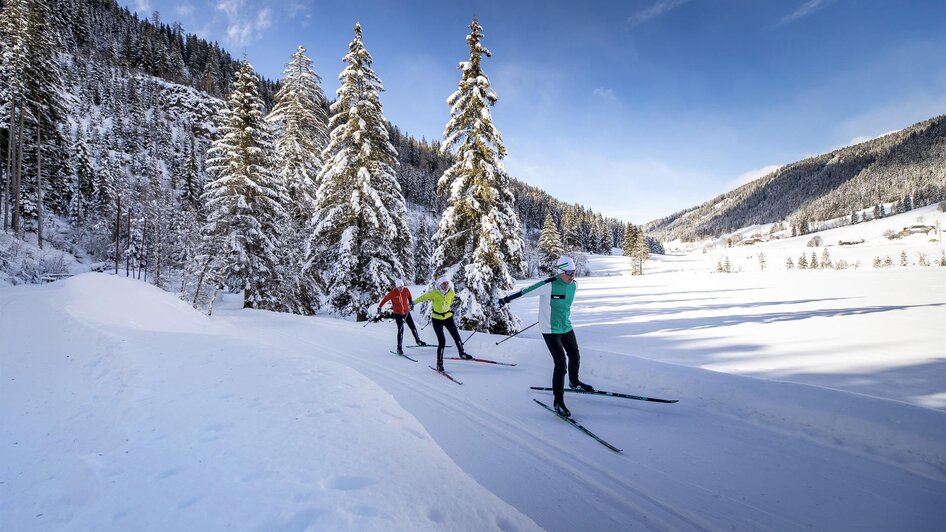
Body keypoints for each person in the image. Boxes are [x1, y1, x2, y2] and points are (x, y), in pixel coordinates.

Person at [498, 256, 593, 417]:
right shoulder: (548, 285)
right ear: (560, 271)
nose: (572, 276)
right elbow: (525, 292)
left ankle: (574, 381)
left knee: (575, 355)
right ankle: (558, 401)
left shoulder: (574, 285)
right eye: (569, 272)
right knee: (561, 362)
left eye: (574, 272)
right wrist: (505, 299)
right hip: (550, 329)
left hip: (565, 326)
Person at [412, 276, 472, 371]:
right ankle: (439, 363)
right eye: (444, 283)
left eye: (447, 283)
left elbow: (450, 301)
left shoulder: (451, 292)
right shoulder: (434, 293)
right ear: (440, 285)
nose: (446, 285)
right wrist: (413, 303)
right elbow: (423, 297)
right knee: (442, 341)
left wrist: (446, 309)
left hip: (448, 318)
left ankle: (462, 353)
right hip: (437, 319)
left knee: (456, 336)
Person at [377, 278, 427, 354]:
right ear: (396, 287)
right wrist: (380, 307)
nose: (401, 288)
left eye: (402, 287)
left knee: (412, 327)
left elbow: (409, 297)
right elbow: (385, 299)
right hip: (398, 314)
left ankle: (418, 341)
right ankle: (399, 348)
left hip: (406, 312)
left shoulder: (406, 290)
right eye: (399, 287)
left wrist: (410, 302)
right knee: (401, 330)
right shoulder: (392, 293)